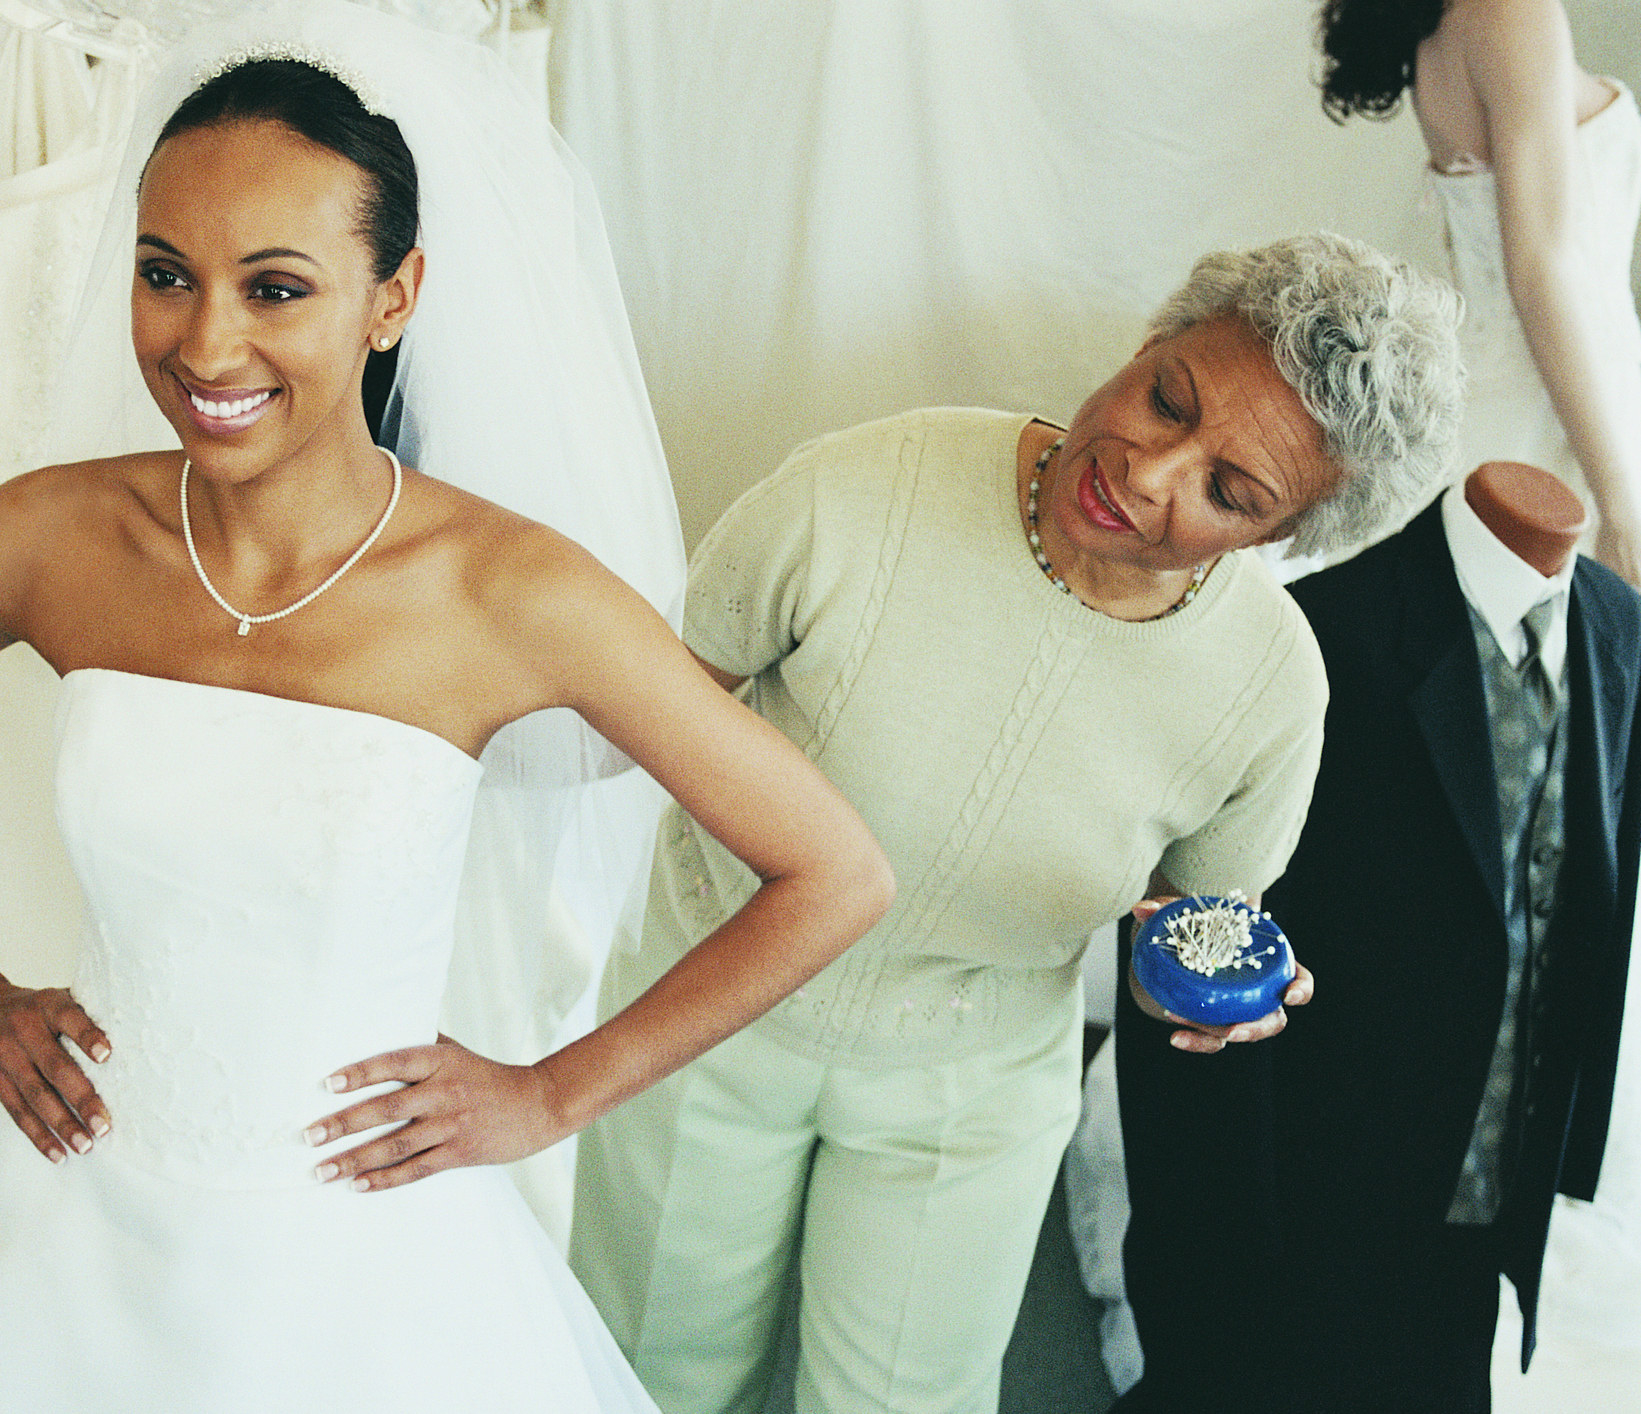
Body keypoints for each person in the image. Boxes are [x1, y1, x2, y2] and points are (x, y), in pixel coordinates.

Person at [0, 5, 893, 1409]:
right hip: (72, 1235)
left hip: (362, 1266)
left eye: (276, 287)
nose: (205, 343)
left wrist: (550, 1092)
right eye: (165, 274)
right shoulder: (54, 542)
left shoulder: (509, 591)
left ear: (394, 297)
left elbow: (835, 870)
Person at [569, 233, 1465, 1414]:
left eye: (1227, 490)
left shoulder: (1270, 691)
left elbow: (1189, 928)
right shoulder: (861, 488)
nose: (1149, 470)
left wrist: (1197, 997)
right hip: (706, 1005)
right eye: (1166, 397)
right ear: (1150, 342)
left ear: (1280, 538)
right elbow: (655, 703)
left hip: (968, 1080)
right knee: (645, 1372)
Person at [1112, 461, 1641, 1413]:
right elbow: (1194, 932)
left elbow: (1586, 895)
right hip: (1297, 1208)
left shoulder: (1617, 628)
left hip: (1485, 1196)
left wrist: (1558, 1160)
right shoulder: (1314, 635)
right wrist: (1196, 1244)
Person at [1319, 0, 1641, 584]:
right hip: (1575, 407)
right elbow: (1539, 272)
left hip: (1528, 392)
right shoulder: (1510, 13)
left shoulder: (1437, 35)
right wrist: (1619, 507)